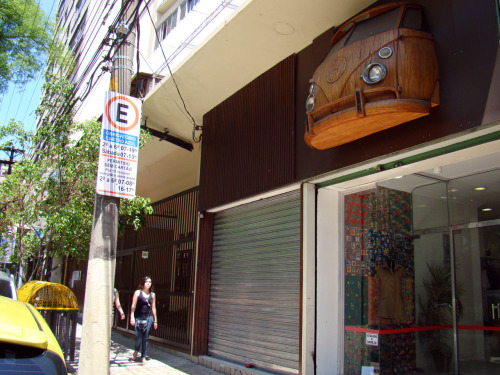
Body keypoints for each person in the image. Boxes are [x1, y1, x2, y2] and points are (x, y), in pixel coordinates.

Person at [130, 276, 157, 364]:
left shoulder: (152, 295)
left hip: (149, 317)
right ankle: (136, 350)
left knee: (145, 337)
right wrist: (132, 316)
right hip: (139, 316)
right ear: (143, 283)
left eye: (150, 281)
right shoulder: (138, 293)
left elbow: (153, 307)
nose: (148, 283)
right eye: (147, 281)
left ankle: (143, 356)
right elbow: (133, 306)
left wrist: (155, 320)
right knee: (138, 336)